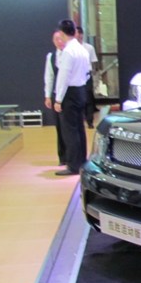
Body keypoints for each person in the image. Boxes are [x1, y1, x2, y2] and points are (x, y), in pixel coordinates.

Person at [53, 19, 90, 176]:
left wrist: (58, 99)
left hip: (69, 93)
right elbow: (87, 72)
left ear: (61, 33)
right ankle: (82, 161)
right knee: (79, 128)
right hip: (81, 90)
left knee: (70, 130)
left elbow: (64, 77)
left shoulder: (68, 51)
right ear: (75, 32)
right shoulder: (82, 49)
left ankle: (73, 165)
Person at [44, 30, 67, 165]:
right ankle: (62, 157)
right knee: (58, 127)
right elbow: (49, 77)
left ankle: (72, 156)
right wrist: (47, 95)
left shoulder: (70, 54)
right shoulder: (51, 57)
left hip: (68, 95)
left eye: (61, 38)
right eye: (56, 39)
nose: (59, 41)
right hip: (55, 95)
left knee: (68, 127)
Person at [76, 26, 99, 128]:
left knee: (88, 98)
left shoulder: (89, 48)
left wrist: (95, 75)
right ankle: (80, 119)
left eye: (80, 34)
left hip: (87, 74)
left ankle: (90, 120)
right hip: (76, 75)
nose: (78, 36)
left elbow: (94, 62)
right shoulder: (70, 49)